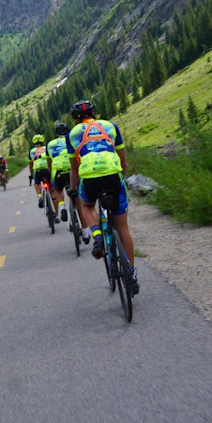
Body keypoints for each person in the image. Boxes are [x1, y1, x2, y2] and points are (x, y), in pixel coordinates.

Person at [66, 100, 139, 294]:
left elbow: (74, 169)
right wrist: (120, 180)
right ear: (94, 114)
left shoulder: (72, 134)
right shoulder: (110, 126)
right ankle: (131, 275)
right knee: (122, 227)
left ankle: (97, 236)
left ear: (75, 119)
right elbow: (123, 161)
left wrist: (73, 189)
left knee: (87, 206)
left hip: (89, 177)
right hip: (113, 175)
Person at [47, 122, 72, 224]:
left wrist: (51, 173)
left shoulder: (50, 144)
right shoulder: (71, 140)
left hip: (57, 171)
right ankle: (85, 232)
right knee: (74, 192)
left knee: (57, 189)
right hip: (71, 169)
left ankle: (61, 206)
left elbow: (49, 163)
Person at [28, 134, 50, 209]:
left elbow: (31, 165)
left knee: (37, 183)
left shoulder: (32, 151)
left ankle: (40, 196)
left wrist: (31, 175)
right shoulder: (46, 148)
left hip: (37, 170)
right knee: (52, 187)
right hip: (47, 169)